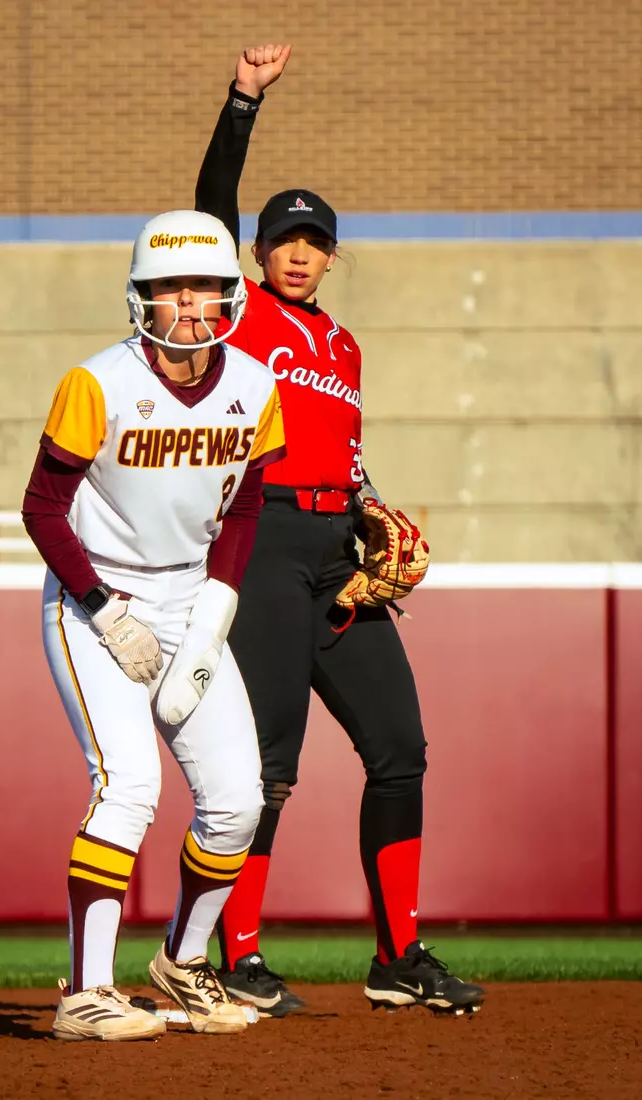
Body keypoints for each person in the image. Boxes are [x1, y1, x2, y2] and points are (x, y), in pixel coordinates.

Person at [194, 45, 484, 1016]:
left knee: (399, 744)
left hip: (333, 554)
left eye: (314, 238)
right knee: (269, 763)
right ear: (260, 252)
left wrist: (369, 510)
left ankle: (398, 955)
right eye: (284, 237)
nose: (300, 250)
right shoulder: (240, 318)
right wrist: (243, 103)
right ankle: (234, 956)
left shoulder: (342, 343)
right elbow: (206, 211)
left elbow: (342, 451)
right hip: (265, 542)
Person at [22, 209, 286, 1041]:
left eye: (204, 286)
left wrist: (214, 610)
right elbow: (41, 508)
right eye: (169, 287)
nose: (188, 303)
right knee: (130, 786)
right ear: (139, 297)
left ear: (230, 292)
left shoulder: (254, 384)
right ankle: (86, 991)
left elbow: (244, 505)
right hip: (95, 599)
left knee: (239, 801)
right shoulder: (95, 381)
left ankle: (183, 959)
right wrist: (104, 608)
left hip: (189, 598)